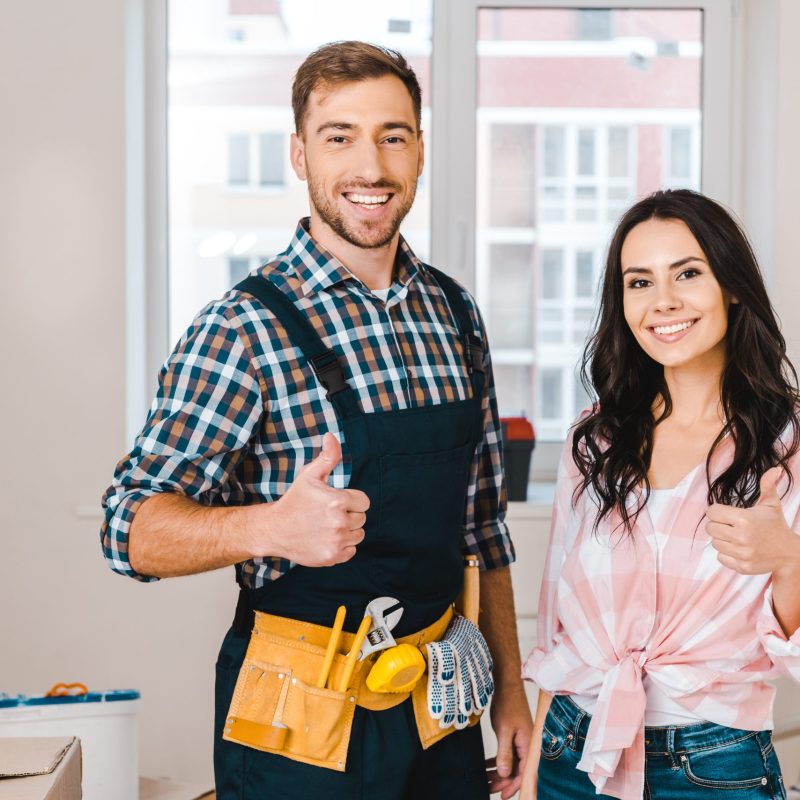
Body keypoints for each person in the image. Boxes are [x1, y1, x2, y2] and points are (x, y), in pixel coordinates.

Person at [101, 41, 531, 800]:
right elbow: (126, 527)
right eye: (340, 137)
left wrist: (511, 691)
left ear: (421, 151)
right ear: (300, 155)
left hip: (441, 709)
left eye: (392, 135)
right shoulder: (241, 328)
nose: (371, 166)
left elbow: (483, 528)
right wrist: (267, 527)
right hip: (299, 722)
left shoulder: (455, 314)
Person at [520, 189, 800, 800]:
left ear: (731, 285)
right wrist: (531, 778)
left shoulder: (786, 451)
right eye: (639, 282)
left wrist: (787, 560)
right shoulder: (594, 442)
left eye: (688, 274)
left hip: (713, 766)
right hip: (572, 754)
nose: (663, 301)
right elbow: (559, 634)